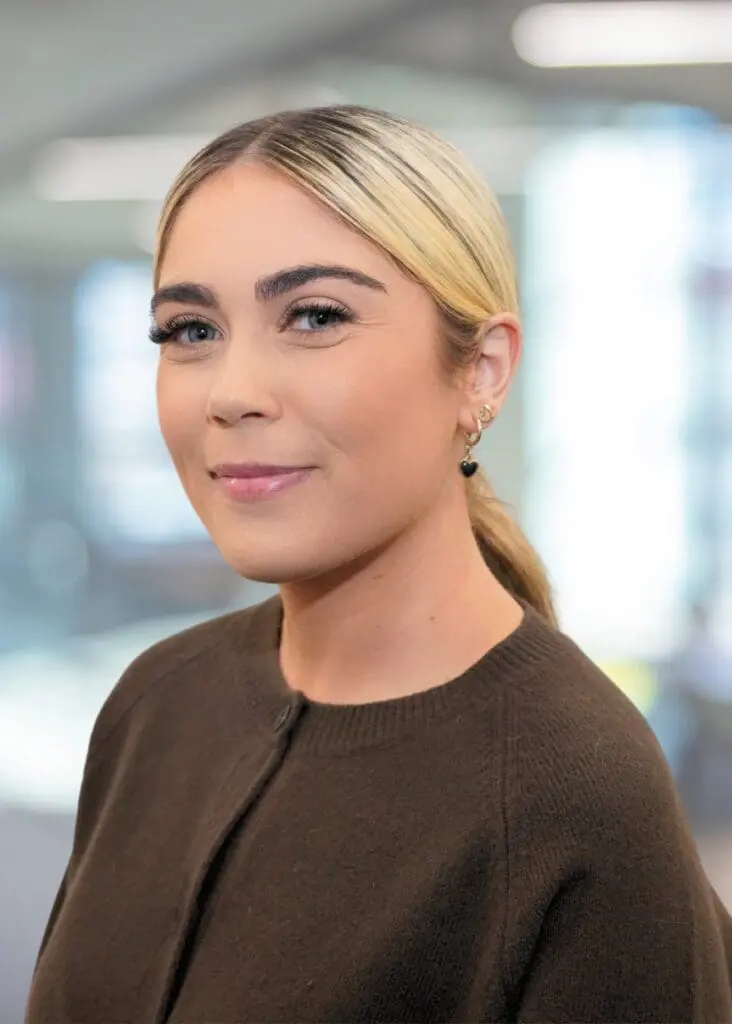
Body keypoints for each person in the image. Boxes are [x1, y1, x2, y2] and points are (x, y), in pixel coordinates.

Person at [26, 105, 732, 1024]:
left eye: (315, 316)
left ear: (480, 371)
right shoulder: (160, 701)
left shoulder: (579, 796)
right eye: (190, 330)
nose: (233, 393)